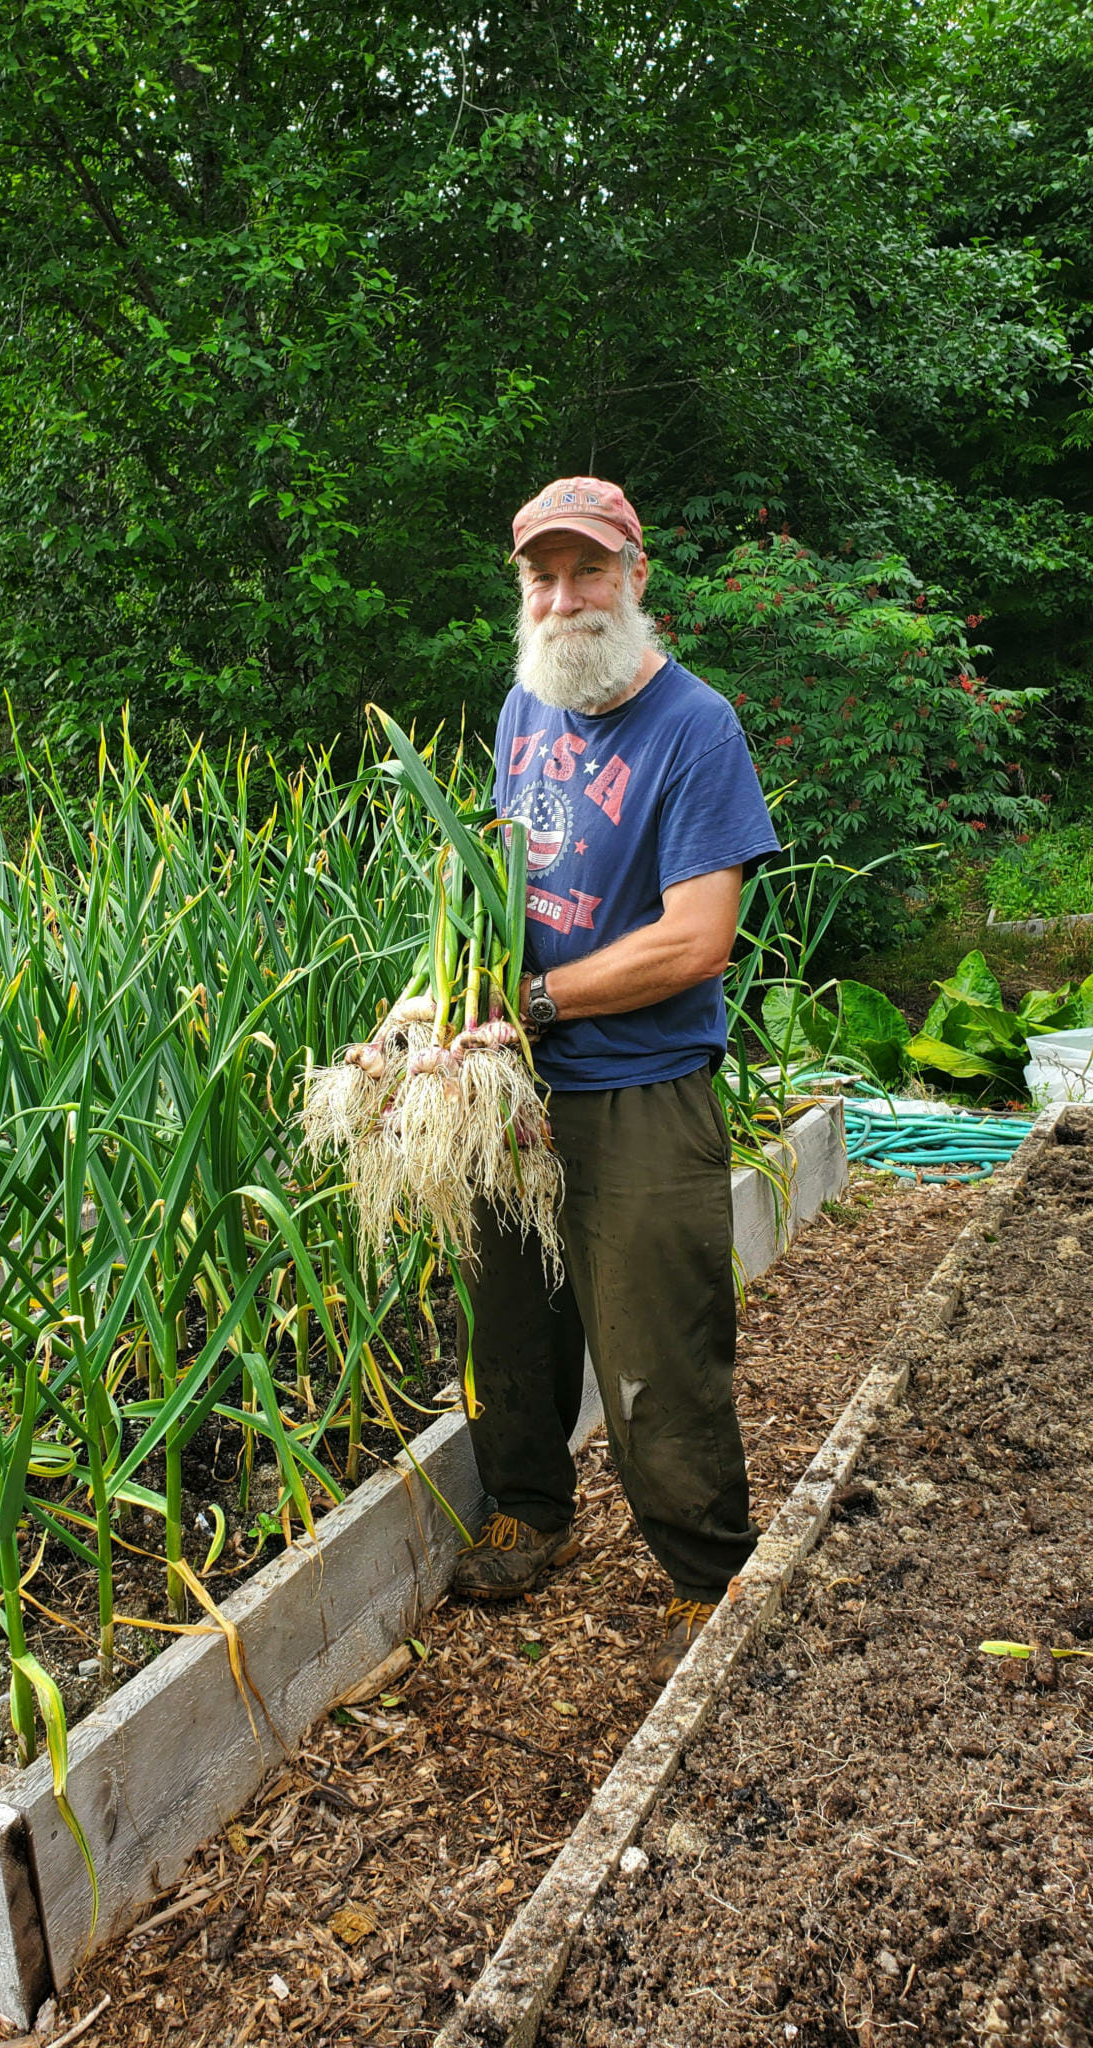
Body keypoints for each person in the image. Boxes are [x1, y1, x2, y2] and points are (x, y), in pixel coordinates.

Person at [449, 475, 781, 1683]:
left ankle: (709, 1576)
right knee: (511, 1324)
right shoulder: (523, 707)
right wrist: (440, 1005)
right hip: (510, 1087)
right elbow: (495, 897)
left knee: (658, 1352)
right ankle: (531, 1514)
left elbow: (698, 939)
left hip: (638, 1086)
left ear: (636, 577)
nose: (565, 596)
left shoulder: (695, 727)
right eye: (543, 574)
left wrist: (535, 1003)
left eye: (589, 570)